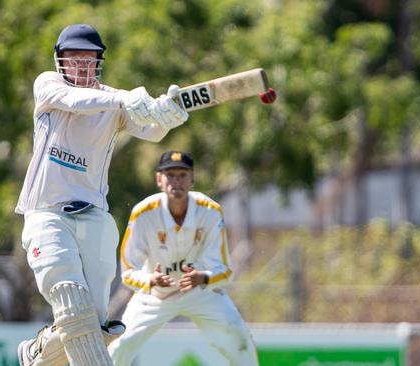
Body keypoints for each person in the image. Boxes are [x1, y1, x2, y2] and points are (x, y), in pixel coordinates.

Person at [15, 24, 189, 366]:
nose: (81, 65)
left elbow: (151, 132)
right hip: (46, 213)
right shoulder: (48, 86)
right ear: (60, 60)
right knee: (70, 298)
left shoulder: (113, 101)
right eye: (73, 58)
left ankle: (38, 354)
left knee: (93, 324)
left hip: (93, 215)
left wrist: (168, 117)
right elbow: (76, 101)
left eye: (88, 58)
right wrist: (125, 97)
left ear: (99, 62)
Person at [108, 151, 259, 366]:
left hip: (199, 293)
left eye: (182, 174)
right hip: (156, 295)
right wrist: (151, 281)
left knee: (239, 338)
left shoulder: (210, 210)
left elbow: (225, 270)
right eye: (170, 175)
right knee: (120, 346)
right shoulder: (143, 213)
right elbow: (127, 272)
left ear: (192, 179)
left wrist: (204, 278)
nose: (176, 181)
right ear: (159, 179)